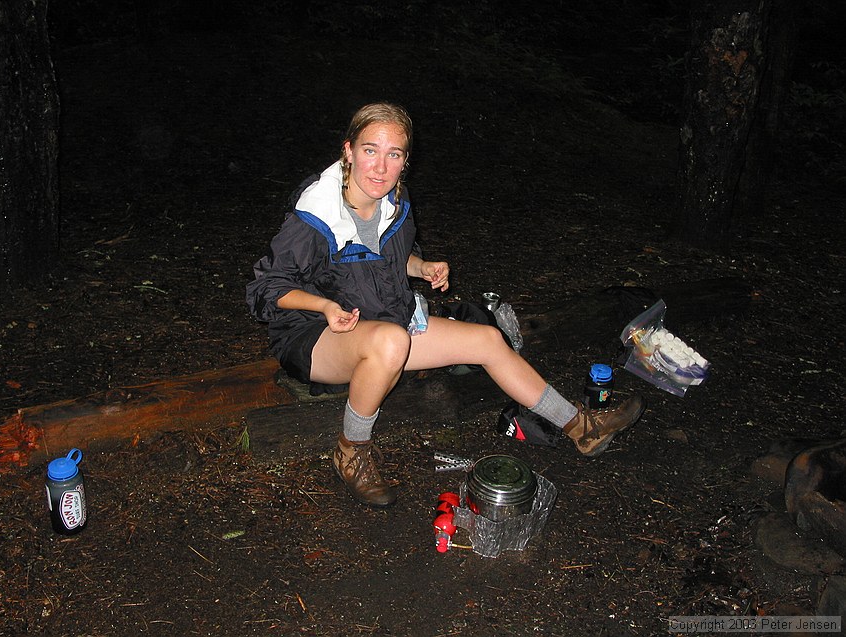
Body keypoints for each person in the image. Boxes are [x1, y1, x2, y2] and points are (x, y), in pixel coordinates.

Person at [246, 103, 645, 508]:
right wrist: (324, 306)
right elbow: (268, 287)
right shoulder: (316, 214)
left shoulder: (396, 203)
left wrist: (422, 266)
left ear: (405, 162)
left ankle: (579, 426)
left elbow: (394, 257)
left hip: (384, 323)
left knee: (488, 339)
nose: (380, 167)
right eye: (370, 150)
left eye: (394, 155)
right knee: (389, 341)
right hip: (315, 336)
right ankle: (351, 451)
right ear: (348, 151)